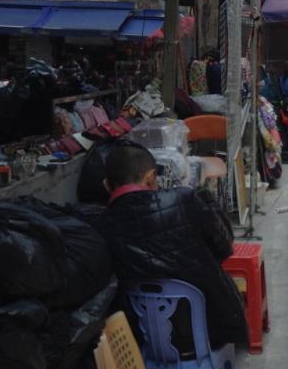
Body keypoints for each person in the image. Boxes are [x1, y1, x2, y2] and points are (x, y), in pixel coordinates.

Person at [94, 144, 248, 350]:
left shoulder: (100, 225)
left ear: (107, 185)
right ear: (150, 177)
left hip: (142, 339)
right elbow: (224, 248)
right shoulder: (186, 199)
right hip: (213, 328)